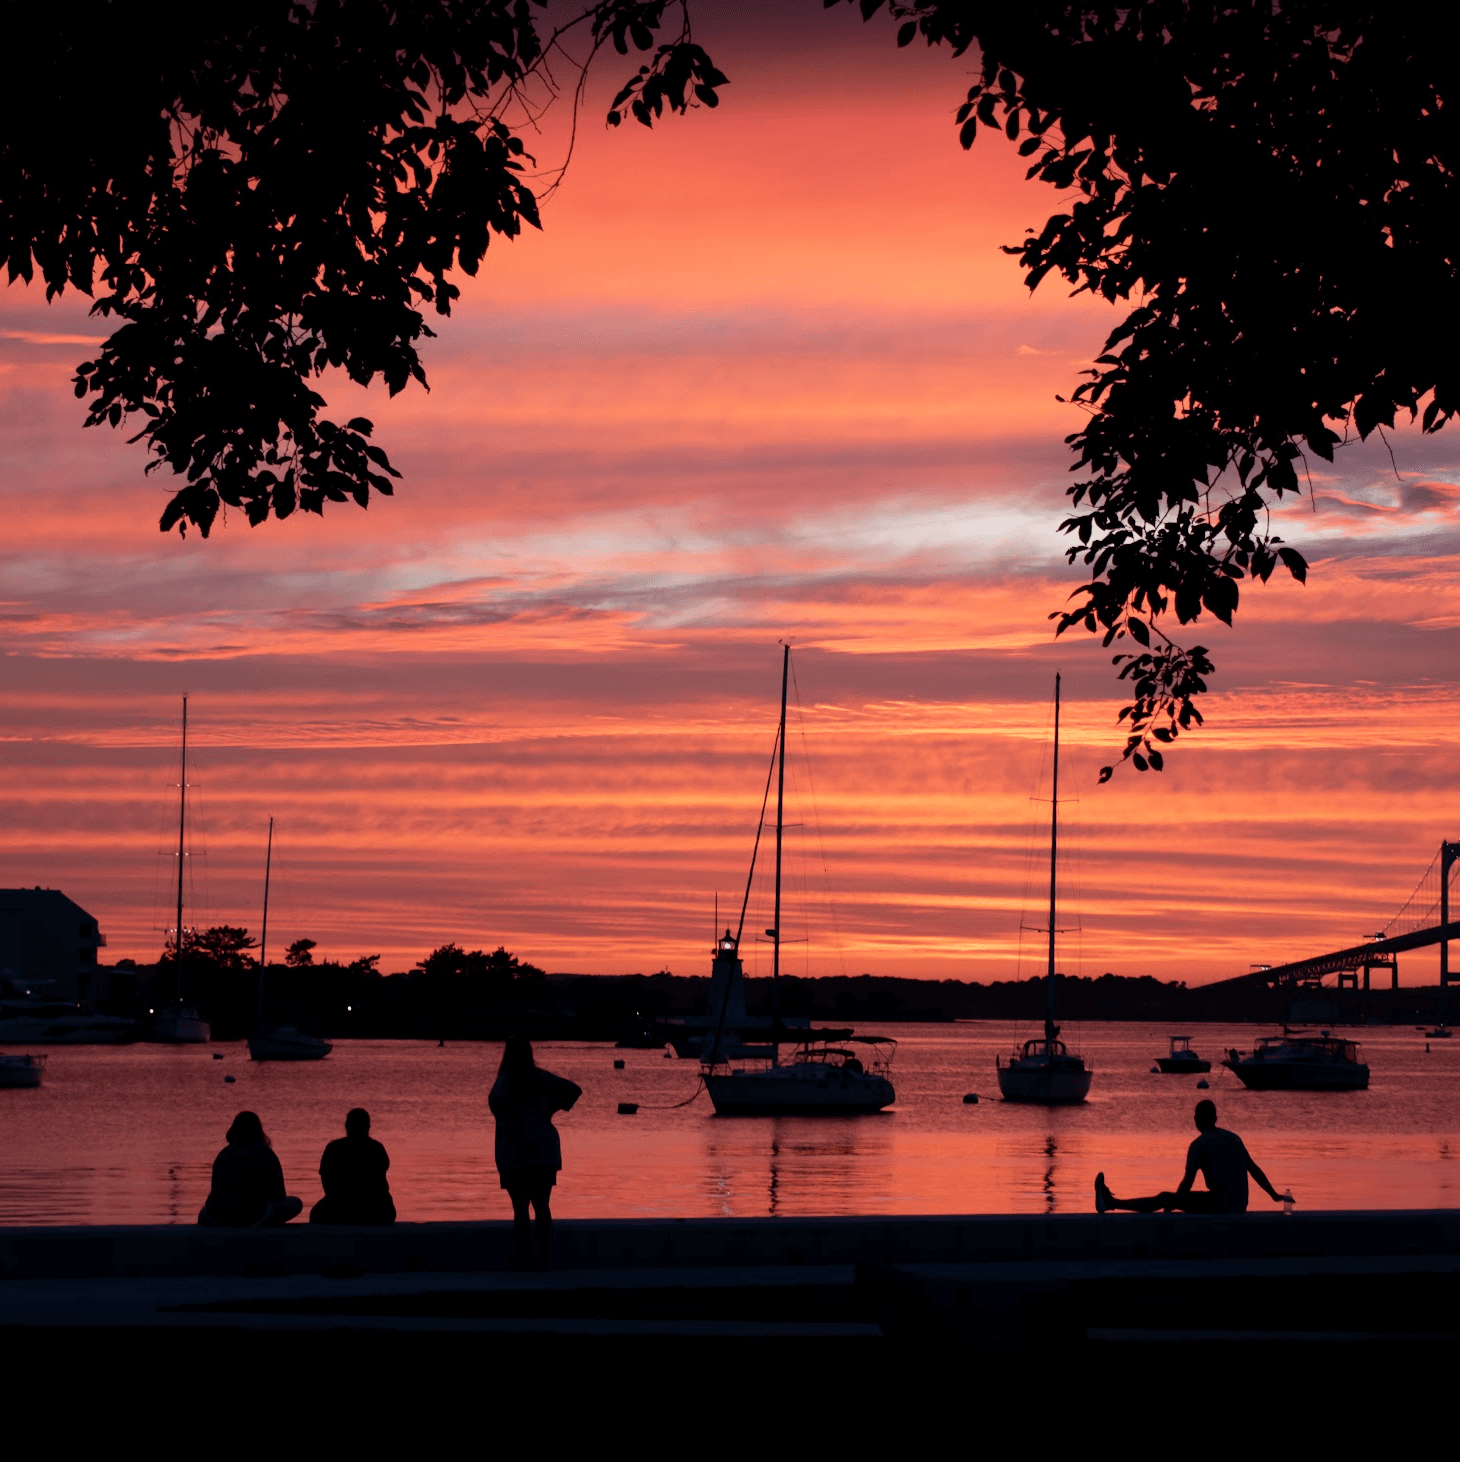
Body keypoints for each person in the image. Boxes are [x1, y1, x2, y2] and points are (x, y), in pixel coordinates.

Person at [1095, 1099, 1290, 1214]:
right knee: (1172, 1198)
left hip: (1221, 1205)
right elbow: (1254, 1170)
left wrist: (1172, 1203)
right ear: (1215, 1119)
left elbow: (1187, 1183)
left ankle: (1112, 1204)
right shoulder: (1234, 1138)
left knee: (1164, 1197)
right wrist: (1273, 1195)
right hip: (1239, 1204)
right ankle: (1113, 1202)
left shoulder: (1199, 1145)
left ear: (1196, 1120)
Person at [488, 1036, 582, 1268]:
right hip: (543, 1149)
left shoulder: (505, 1082)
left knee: (520, 1209)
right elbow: (573, 1090)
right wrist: (549, 1110)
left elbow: (496, 1107)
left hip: (515, 1151)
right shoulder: (543, 1079)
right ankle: (544, 1259)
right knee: (542, 1207)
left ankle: (524, 1259)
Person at [198, 1111, 303, 1226]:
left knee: (204, 1212)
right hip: (254, 1215)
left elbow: (216, 1192)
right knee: (296, 1203)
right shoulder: (266, 1154)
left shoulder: (224, 1154)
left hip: (220, 1216)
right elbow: (279, 1195)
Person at [309, 1107, 396, 1225]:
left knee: (316, 1214)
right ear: (368, 1127)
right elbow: (380, 1184)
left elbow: (327, 1184)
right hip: (373, 1208)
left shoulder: (334, 1148)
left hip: (347, 1206)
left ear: (346, 1126)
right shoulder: (377, 1148)